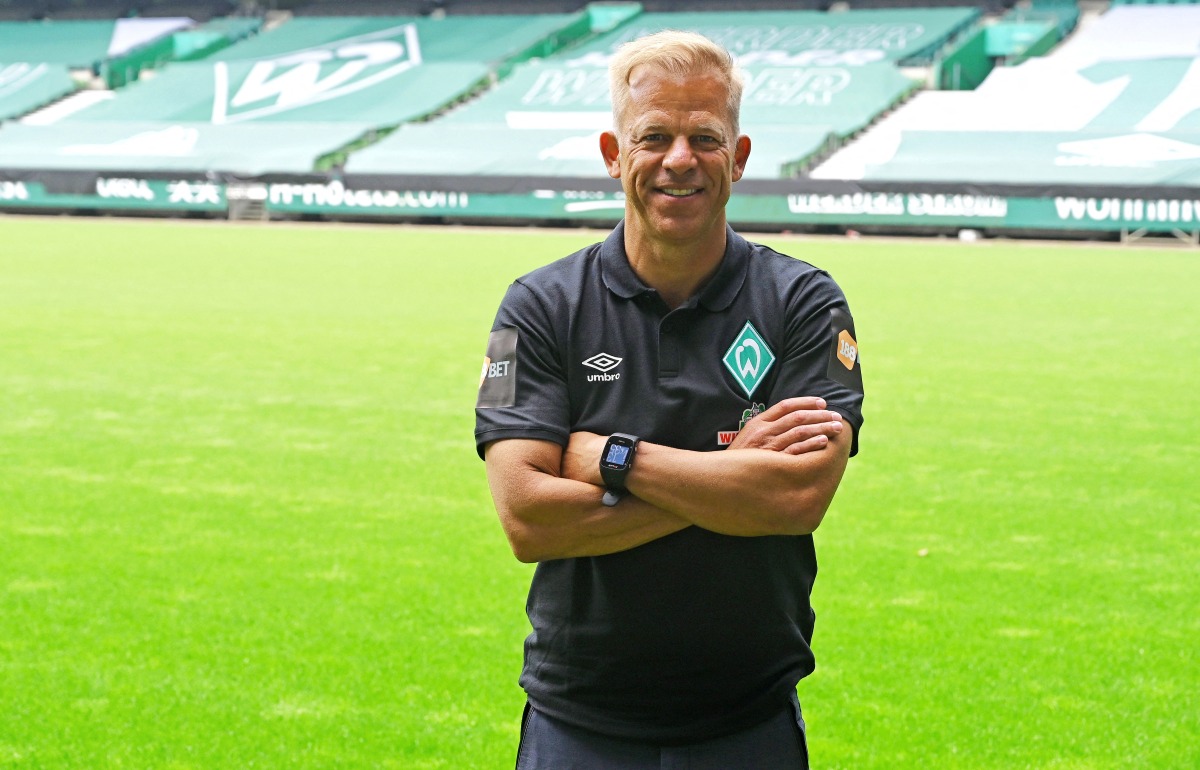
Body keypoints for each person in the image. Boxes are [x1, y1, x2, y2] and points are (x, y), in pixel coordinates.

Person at [475, 30, 865, 770]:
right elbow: (527, 518)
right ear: (613, 154)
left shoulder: (804, 302)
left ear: (740, 157)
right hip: (577, 722)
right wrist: (729, 483)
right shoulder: (542, 305)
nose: (679, 159)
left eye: (704, 138)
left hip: (747, 722)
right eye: (653, 136)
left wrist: (606, 457)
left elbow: (795, 499)